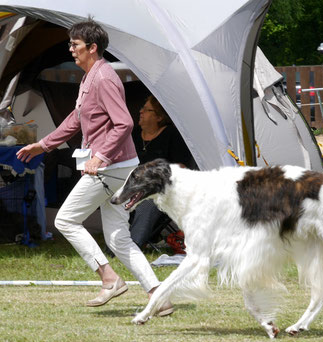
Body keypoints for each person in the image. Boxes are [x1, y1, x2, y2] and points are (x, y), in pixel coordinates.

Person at [16, 19, 173, 315]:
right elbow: (76, 120)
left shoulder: (104, 78)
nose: (71, 49)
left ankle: (109, 278)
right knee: (117, 236)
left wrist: (100, 156)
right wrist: (44, 145)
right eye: (71, 44)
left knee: (65, 220)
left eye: (75, 45)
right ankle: (158, 296)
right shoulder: (90, 76)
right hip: (117, 166)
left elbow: (124, 123)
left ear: (93, 48)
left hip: (111, 168)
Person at [129, 95, 192, 249]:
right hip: (131, 184)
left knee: (150, 201)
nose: (140, 111)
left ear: (159, 116)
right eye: (142, 108)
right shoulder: (133, 135)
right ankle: (116, 244)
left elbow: (181, 167)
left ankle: (132, 246)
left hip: (162, 187)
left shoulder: (172, 135)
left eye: (146, 109)